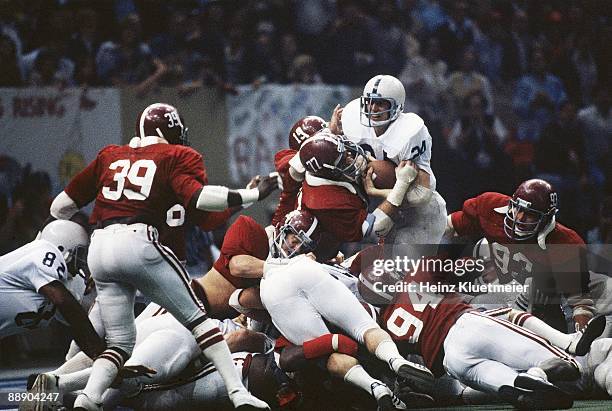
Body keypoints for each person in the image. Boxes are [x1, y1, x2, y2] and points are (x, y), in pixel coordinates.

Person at [48, 102, 275, 410]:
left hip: (103, 249)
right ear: (168, 131)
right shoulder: (175, 158)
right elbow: (202, 204)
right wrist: (252, 196)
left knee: (107, 345)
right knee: (196, 327)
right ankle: (239, 394)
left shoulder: (111, 155)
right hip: (148, 259)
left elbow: (59, 208)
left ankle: (63, 389)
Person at [259, 209, 435, 409]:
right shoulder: (323, 264)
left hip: (276, 293)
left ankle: (377, 388)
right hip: (350, 303)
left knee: (328, 356)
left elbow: (239, 299)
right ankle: (395, 362)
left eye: (301, 244)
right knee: (365, 328)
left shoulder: (275, 266)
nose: (295, 247)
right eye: (294, 240)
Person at [446, 179, 595, 332]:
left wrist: (581, 333)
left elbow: (580, 301)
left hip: (535, 313)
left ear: (546, 218)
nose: (519, 218)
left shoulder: (566, 244)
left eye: (529, 214)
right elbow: (448, 226)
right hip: (489, 296)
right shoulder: (490, 206)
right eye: (517, 208)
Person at [333, 74, 447, 252]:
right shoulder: (352, 121)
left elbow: (421, 194)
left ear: (396, 106)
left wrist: (377, 190)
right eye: (369, 102)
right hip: (386, 207)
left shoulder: (411, 132)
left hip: (421, 213)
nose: (373, 108)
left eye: (381, 103)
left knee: (402, 270)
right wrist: (333, 135)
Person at [0, 220, 103, 358]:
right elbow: (65, 304)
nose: (81, 261)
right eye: (80, 253)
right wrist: (100, 351)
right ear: (63, 247)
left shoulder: (57, 282)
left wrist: (98, 355)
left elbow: (78, 325)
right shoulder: (44, 251)